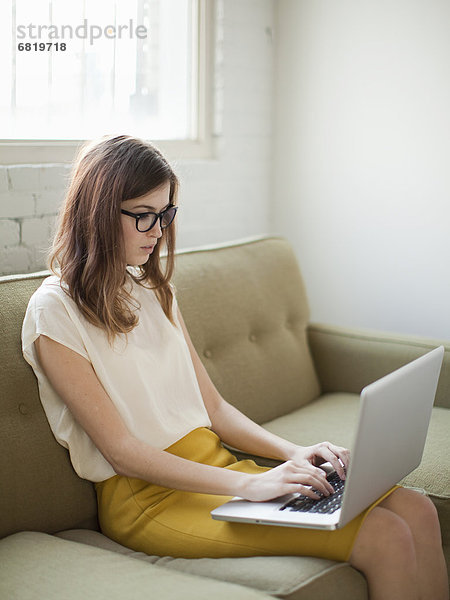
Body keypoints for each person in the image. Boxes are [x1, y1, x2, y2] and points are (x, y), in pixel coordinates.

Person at [22, 135, 448, 600]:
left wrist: (295, 453)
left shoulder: (155, 291)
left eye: (164, 215)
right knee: (383, 537)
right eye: (143, 215)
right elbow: (122, 451)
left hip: (216, 467)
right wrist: (251, 483)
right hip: (148, 499)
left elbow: (217, 410)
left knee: (417, 509)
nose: (157, 232)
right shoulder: (54, 313)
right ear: (97, 212)